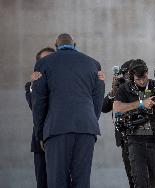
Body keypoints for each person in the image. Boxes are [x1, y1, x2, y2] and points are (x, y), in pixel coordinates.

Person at [32, 33, 105, 188]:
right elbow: (98, 101)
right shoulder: (93, 64)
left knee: (57, 180)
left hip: (57, 129)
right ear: (75, 44)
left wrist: (40, 133)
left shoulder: (44, 64)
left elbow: (39, 102)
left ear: (56, 46)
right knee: (82, 181)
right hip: (86, 129)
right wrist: (90, 121)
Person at [113, 59, 155, 188]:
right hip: (135, 138)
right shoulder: (124, 89)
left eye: (144, 78)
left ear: (147, 73)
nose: (142, 81)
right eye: (138, 79)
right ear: (132, 76)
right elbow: (117, 107)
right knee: (140, 180)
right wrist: (141, 103)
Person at [101, 59, 134, 188]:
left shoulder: (144, 85)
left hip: (144, 138)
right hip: (125, 139)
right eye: (126, 74)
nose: (129, 77)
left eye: (132, 73)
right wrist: (112, 93)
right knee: (132, 178)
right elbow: (104, 108)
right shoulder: (120, 87)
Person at [25, 47, 55, 188]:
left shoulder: (64, 85)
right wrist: (35, 85)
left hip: (60, 138)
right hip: (40, 142)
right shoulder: (31, 86)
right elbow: (34, 106)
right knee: (42, 182)